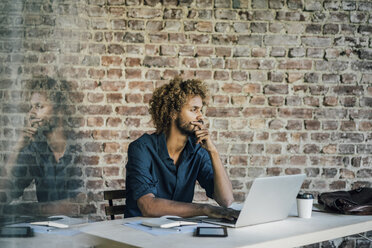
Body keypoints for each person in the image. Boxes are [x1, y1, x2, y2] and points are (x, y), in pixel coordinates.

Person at [125, 77, 238, 219]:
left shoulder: (197, 150)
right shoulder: (142, 148)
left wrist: (213, 152)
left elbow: (226, 200)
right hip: (138, 233)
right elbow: (148, 206)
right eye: (193, 109)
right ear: (173, 112)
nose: (200, 116)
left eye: (200, 110)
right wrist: (204, 209)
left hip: (178, 232)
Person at [2, 77, 83, 211]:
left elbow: (82, 205)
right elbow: (7, 193)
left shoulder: (82, 148)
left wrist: (28, 209)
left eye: (39, 106)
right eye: (31, 107)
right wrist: (17, 148)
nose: (31, 114)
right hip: (47, 230)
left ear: (59, 110)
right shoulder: (35, 150)